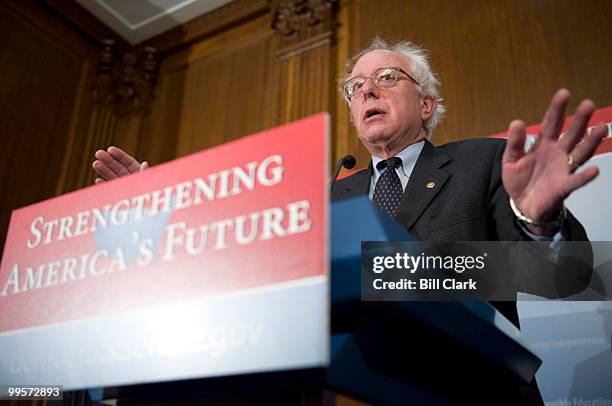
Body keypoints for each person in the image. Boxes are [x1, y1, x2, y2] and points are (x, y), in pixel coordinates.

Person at [92, 37, 606, 403]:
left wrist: (539, 221)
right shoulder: (328, 197)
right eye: (356, 85)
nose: (366, 92)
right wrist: (171, 216)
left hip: (470, 389)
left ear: (427, 103)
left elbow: (568, 275)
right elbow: (261, 278)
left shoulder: (482, 162)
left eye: (386, 78)